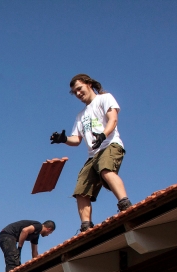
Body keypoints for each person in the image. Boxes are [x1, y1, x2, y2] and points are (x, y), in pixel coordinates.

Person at [51, 74, 132, 232]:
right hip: (92, 155)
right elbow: (77, 139)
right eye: (75, 92)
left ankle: (125, 204)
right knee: (81, 190)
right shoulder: (80, 115)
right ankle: (86, 226)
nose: (78, 94)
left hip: (110, 144)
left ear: (89, 84)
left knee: (105, 170)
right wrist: (64, 139)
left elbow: (113, 119)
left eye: (79, 89)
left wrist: (103, 135)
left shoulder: (104, 98)